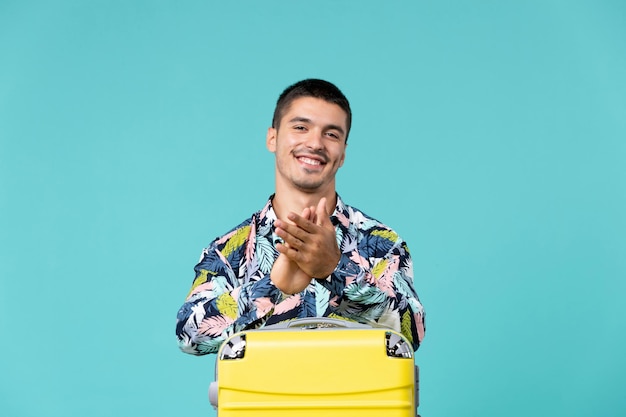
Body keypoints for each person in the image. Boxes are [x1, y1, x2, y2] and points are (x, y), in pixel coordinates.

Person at [176, 79, 425, 355]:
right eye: (300, 127)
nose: (315, 143)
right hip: (261, 398)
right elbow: (188, 335)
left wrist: (336, 270)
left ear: (342, 153)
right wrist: (274, 287)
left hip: (361, 398)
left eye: (331, 134)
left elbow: (411, 330)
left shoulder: (382, 243)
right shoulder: (229, 250)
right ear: (273, 138)